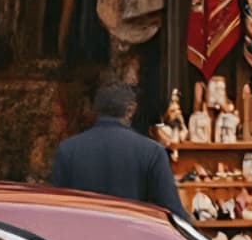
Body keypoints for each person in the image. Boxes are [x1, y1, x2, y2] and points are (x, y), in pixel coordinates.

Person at [49, 81, 184, 214]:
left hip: (81, 234)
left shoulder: (67, 150)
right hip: (132, 233)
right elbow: (173, 213)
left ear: (95, 109)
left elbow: (56, 210)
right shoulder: (152, 152)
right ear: (132, 110)